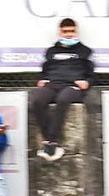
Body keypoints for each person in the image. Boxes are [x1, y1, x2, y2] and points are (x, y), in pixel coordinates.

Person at [29, 17, 94, 162]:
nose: (68, 34)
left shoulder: (84, 51)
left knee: (63, 99)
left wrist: (86, 82)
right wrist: (43, 79)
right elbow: (45, 70)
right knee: (37, 99)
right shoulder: (51, 51)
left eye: (71, 31)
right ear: (60, 32)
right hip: (53, 84)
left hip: (73, 86)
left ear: (76, 31)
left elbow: (91, 74)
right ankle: (50, 142)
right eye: (65, 31)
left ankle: (51, 141)